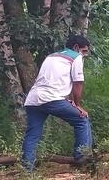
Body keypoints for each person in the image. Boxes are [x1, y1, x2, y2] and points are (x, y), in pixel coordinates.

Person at [22, 35, 93, 172]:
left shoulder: (51, 56)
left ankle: (26, 169)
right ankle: (83, 160)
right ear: (76, 48)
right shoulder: (76, 57)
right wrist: (77, 105)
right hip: (52, 98)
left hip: (33, 98)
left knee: (32, 134)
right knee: (82, 119)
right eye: (84, 51)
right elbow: (78, 83)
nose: (85, 55)